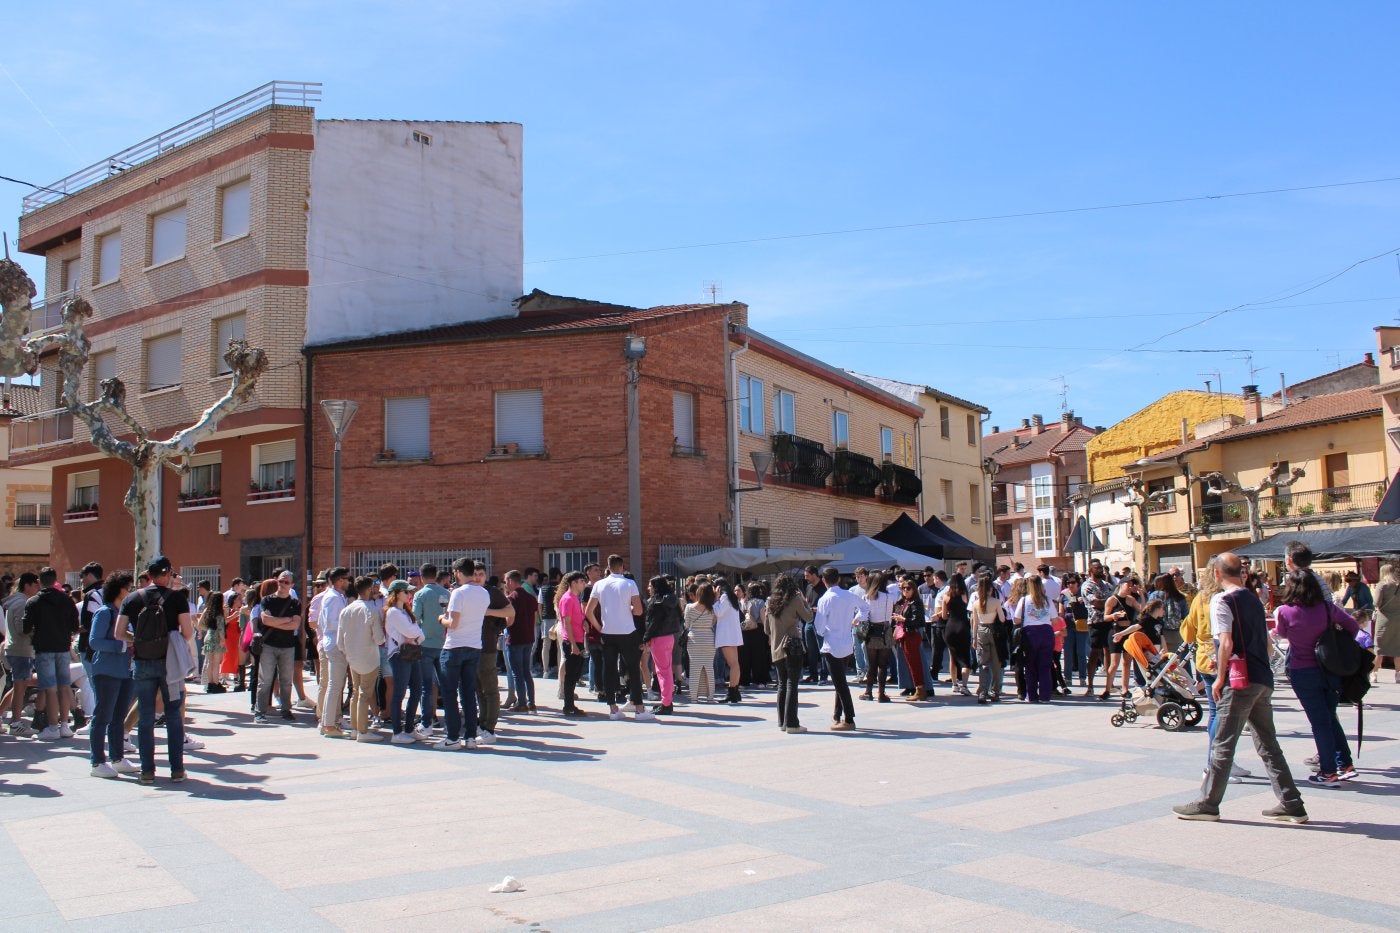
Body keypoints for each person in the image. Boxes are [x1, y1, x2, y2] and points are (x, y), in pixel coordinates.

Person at [1174, 552, 1308, 823]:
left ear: (1216, 574)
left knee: (1223, 743)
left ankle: (1208, 804)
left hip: (1239, 680)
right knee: (1268, 744)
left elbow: (1224, 643)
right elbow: (1268, 643)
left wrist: (1220, 677)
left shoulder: (1222, 600)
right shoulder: (1253, 599)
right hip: (1262, 678)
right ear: (1242, 574)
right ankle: (1292, 803)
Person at [1274, 569, 1360, 785]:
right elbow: (1353, 626)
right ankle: (1345, 763)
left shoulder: (1285, 611)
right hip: (1330, 669)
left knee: (1320, 722)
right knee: (1329, 717)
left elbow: (1282, 633)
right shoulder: (1328, 609)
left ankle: (1328, 771)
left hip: (1302, 671)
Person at [117, 556, 194, 785]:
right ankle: (177, 769)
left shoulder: (131, 598)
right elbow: (188, 633)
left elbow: (118, 633)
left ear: (148, 575)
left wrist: (139, 640)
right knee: (172, 715)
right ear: (168, 573)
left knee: (146, 717)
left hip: (142, 662)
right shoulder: (177, 599)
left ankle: (148, 771)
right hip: (169, 664)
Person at [585, 555, 654, 721]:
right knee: (633, 668)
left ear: (608, 566)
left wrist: (599, 627)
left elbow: (588, 611)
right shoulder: (629, 583)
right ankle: (639, 709)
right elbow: (638, 610)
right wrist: (627, 607)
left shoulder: (599, 584)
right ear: (622, 567)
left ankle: (613, 709)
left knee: (609, 670)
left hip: (608, 632)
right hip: (627, 632)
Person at [87, 571, 139, 778]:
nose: (132, 591)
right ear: (119, 590)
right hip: (107, 670)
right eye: (129, 588)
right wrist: (123, 645)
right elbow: (95, 641)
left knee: (119, 717)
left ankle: (117, 758)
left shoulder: (125, 613)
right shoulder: (105, 612)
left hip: (126, 671)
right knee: (102, 716)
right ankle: (97, 761)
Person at [23, 567, 80, 739]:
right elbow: (74, 626)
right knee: (64, 686)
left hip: (44, 648)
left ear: (40, 582)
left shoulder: (33, 602)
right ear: (55, 580)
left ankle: (53, 727)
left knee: (49, 688)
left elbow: (26, 628)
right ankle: (64, 725)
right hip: (62, 647)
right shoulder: (67, 600)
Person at [814, 567, 866, 730]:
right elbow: (865, 608)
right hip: (846, 643)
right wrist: (855, 620)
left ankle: (849, 718)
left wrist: (825, 631)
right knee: (840, 681)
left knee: (840, 683)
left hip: (832, 644)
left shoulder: (825, 599)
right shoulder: (849, 595)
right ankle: (837, 715)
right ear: (838, 579)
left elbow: (819, 626)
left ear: (824, 580)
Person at [764, 574, 813, 733]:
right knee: (792, 684)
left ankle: (782, 722)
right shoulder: (795, 600)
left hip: (776, 648)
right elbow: (809, 617)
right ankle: (792, 723)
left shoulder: (770, 602)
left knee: (782, 685)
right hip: (792, 646)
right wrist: (805, 602)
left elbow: (766, 629)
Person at [339, 576, 383, 742]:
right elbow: (379, 638)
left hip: (352, 657)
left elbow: (340, 640)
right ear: (368, 589)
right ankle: (363, 731)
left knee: (356, 693)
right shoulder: (370, 610)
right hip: (369, 657)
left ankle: (356, 730)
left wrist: (348, 652)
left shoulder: (346, 610)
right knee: (364, 693)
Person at [254, 572, 302, 725]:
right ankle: (260, 712)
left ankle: (286, 709)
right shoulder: (267, 600)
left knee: (286, 680)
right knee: (265, 680)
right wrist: (286, 620)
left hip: (288, 646)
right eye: (281, 581)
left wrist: (277, 621)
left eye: (286, 582)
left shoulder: (295, 603)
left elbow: (296, 624)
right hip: (269, 645)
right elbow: (266, 620)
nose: (283, 584)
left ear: (292, 585)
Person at [383, 580, 425, 745]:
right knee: (399, 693)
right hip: (399, 655)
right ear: (397, 593)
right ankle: (397, 732)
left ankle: (409, 728)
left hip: (411, 652)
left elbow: (418, 634)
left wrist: (416, 635)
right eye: (406, 592)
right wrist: (416, 635)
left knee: (416, 689)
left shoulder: (405, 612)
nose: (409, 595)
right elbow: (412, 631)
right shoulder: (393, 612)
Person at [411, 563, 450, 734]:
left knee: (426, 686)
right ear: (436, 575)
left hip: (425, 644)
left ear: (421, 576)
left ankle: (427, 723)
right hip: (444, 644)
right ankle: (451, 721)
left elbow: (415, 618)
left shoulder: (420, 594)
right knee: (447, 685)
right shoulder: (447, 593)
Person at [2, 572, 40, 737]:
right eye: (35, 584)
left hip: (19, 650)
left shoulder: (18, 601)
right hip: (20, 650)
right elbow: (21, 629)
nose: (38, 587)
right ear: (27, 585)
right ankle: (16, 723)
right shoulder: (22, 603)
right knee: (19, 688)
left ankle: (13, 721)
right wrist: (38, 632)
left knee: (19, 686)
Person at [316, 568, 351, 739]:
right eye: (346, 579)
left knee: (334, 685)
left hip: (334, 643)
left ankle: (327, 723)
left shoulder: (336, 597)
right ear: (339, 581)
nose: (348, 582)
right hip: (336, 644)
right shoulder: (333, 598)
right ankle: (328, 724)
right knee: (334, 685)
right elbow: (331, 623)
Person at [640, 576, 683, 714]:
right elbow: (680, 618)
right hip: (669, 637)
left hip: (658, 638)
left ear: (656, 587)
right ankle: (667, 701)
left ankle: (666, 703)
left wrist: (646, 637)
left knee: (662, 672)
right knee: (666, 670)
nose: (648, 588)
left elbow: (654, 623)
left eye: (650, 586)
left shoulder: (657, 602)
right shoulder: (672, 599)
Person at [1013, 574, 1057, 703]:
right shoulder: (1048, 600)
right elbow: (1054, 620)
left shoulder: (1025, 600)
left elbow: (1016, 619)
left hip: (1030, 633)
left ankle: (1031, 695)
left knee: (1030, 665)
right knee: (1045, 666)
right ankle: (1045, 695)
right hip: (1046, 632)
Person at [504, 571, 539, 713]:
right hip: (528, 637)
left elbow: (510, 621)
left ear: (511, 581)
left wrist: (502, 624)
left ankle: (522, 703)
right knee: (526, 672)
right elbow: (534, 617)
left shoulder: (511, 598)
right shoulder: (531, 598)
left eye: (506, 581)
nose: (505, 584)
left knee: (516, 672)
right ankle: (531, 702)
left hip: (515, 638)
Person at [1102, 578, 1142, 699]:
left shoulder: (1131, 599)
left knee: (1127, 662)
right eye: (1128, 585)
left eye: (1132, 586)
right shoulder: (1112, 600)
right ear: (1120, 585)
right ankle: (1107, 689)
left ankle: (1125, 689)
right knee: (1114, 663)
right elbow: (1105, 617)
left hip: (1128, 632)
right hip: (1116, 631)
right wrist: (1113, 616)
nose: (1130, 587)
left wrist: (1142, 596)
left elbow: (1142, 611)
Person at [556, 572, 590, 715]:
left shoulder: (575, 598)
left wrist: (583, 622)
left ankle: (570, 705)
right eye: (582, 581)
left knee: (575, 673)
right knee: (571, 675)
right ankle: (568, 706)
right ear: (573, 583)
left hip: (578, 639)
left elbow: (575, 619)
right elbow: (567, 623)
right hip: (572, 641)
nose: (584, 584)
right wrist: (573, 645)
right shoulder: (568, 599)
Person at [860, 572, 896, 703]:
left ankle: (868, 692)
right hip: (885, 630)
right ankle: (881, 693)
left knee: (871, 664)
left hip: (871, 630)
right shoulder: (889, 597)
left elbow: (863, 616)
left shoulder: (866, 597)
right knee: (883, 664)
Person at [1082, 561, 1115, 698]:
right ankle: (1090, 685)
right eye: (1097, 568)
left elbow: (1115, 600)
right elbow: (1095, 602)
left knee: (1109, 651)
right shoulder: (1087, 586)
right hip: (1095, 622)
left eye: (1101, 568)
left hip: (1108, 621)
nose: (1100, 570)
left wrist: (1104, 602)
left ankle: (1110, 684)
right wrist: (1107, 602)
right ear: (1090, 570)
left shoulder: (1107, 585)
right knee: (1095, 653)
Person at [972, 574, 1005, 703]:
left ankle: (982, 691)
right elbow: (1002, 619)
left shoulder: (976, 603)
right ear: (991, 589)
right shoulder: (996, 602)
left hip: (981, 630)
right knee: (996, 663)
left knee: (983, 663)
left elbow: (974, 622)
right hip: (994, 631)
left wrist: (974, 638)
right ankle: (995, 692)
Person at [684, 582, 718, 703]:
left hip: (694, 639)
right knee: (709, 668)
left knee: (694, 668)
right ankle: (710, 697)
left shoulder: (689, 607)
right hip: (708, 638)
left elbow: (686, 624)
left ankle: (694, 697)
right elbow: (714, 622)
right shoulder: (713, 608)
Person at [939, 574, 973, 696]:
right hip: (963, 626)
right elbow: (968, 608)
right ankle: (964, 685)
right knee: (965, 658)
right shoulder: (964, 594)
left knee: (952, 657)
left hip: (950, 627)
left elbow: (943, 616)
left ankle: (954, 685)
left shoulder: (946, 596)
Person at [713, 579, 745, 704]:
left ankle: (732, 692)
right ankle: (735, 691)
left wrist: (716, 599)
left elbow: (719, 612)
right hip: (732, 635)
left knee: (733, 664)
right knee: (735, 664)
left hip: (727, 635)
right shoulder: (732, 598)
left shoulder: (725, 597)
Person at [1372, 561, 1400, 684]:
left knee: (1379, 647)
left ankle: (1374, 673)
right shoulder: (1398, 585)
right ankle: (1398, 674)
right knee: (1397, 648)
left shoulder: (1382, 585)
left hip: (1384, 620)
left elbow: (1376, 602)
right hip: (1398, 619)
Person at [739, 582, 771, 687]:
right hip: (758, 630)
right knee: (758, 656)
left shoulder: (745, 602)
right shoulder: (761, 602)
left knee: (745, 656)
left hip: (746, 630)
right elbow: (763, 618)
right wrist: (768, 633)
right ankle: (759, 680)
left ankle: (744, 680)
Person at [800, 565, 827, 684]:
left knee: (822, 649)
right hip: (809, 621)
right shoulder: (808, 587)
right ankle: (813, 675)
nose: (806, 578)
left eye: (807, 576)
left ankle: (824, 676)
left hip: (820, 621)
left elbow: (827, 605)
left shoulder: (824, 587)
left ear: (814, 575)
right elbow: (807, 601)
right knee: (811, 650)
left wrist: (817, 609)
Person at [199, 592, 227, 692]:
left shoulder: (207, 610)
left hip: (209, 635)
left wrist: (208, 628)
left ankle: (210, 684)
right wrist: (222, 639)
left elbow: (200, 623)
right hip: (217, 638)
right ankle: (216, 683)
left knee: (210, 662)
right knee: (216, 663)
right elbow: (220, 627)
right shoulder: (219, 612)